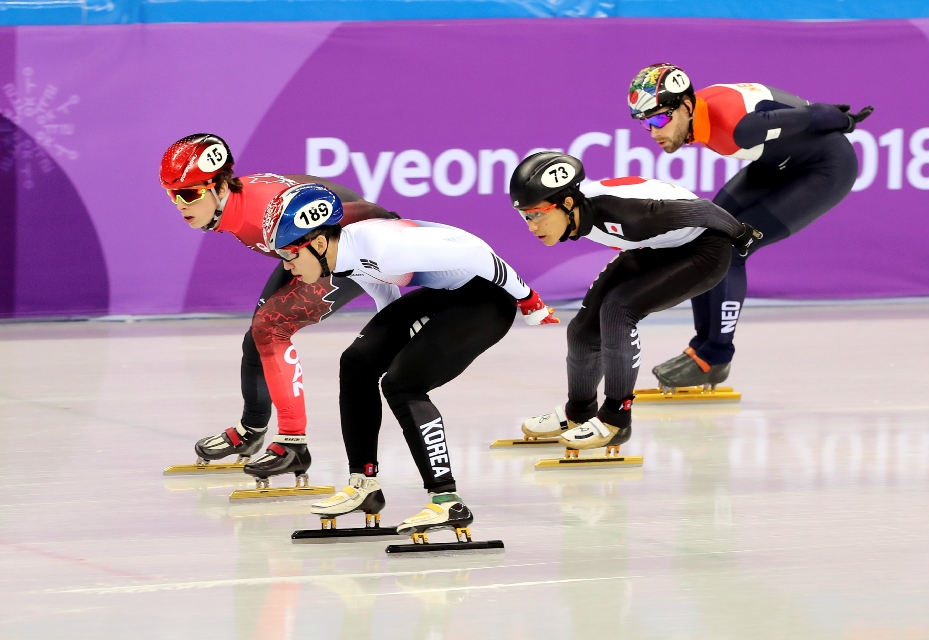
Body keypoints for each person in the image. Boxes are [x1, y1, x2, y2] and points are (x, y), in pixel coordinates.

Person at [260, 183, 557, 538]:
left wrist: (529, 299)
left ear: (319, 243)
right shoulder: (345, 253)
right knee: (357, 363)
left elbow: (479, 255)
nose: (287, 267)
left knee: (402, 383)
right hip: (443, 292)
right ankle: (364, 484)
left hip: (486, 300)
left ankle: (447, 499)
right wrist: (389, 338)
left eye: (289, 255)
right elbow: (379, 283)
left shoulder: (389, 248)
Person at [159, 133, 397, 486]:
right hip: (306, 245)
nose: (179, 203)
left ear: (218, 186)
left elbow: (366, 213)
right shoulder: (241, 203)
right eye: (172, 194)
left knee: (270, 328)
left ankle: (292, 444)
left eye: (189, 193)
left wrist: (383, 266)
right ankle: (252, 429)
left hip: (353, 248)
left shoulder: (260, 209)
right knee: (257, 337)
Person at [627, 63, 873, 389]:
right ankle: (701, 348)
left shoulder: (737, 128)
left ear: (686, 106)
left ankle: (715, 357)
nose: (655, 132)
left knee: (729, 246)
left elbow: (814, 116)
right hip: (777, 162)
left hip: (824, 168)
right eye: (647, 124)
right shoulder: (698, 114)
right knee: (700, 236)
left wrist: (844, 119)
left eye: (659, 119)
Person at [512, 152, 758, 450]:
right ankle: (578, 414)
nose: (531, 226)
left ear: (567, 204)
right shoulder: (581, 209)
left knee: (618, 309)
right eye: (525, 216)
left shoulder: (626, 213)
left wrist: (741, 234)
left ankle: (617, 420)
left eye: (537, 214)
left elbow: (703, 210)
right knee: (582, 331)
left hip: (704, 251)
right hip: (657, 246)